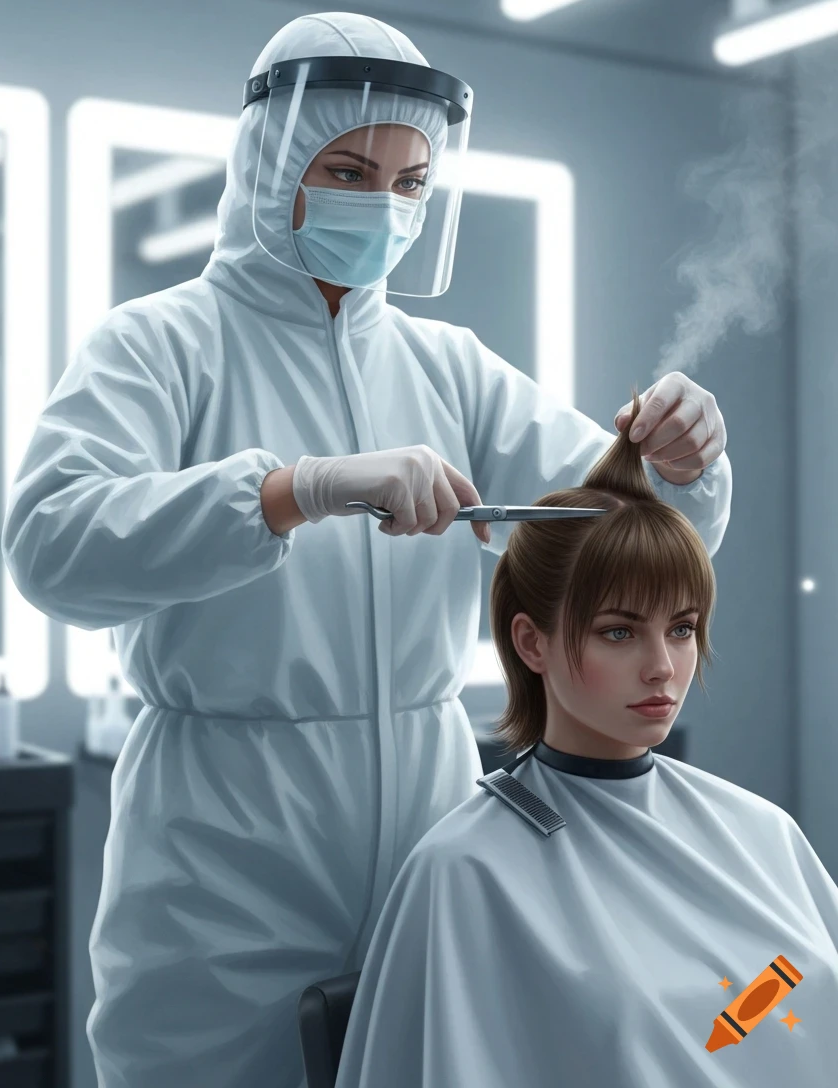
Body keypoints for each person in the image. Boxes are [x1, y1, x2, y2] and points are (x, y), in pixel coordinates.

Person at [1, 12, 733, 1088]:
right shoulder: (159, 343)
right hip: (226, 841)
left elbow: (619, 541)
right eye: (346, 168)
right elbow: (50, 545)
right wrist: (290, 490)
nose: (381, 204)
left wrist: (678, 463)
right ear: (268, 164)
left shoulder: (452, 364)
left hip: (432, 829)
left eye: (406, 182)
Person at [334, 393, 838, 1088]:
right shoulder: (464, 874)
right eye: (620, 632)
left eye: (682, 628)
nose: (663, 666)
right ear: (530, 641)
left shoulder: (763, 834)